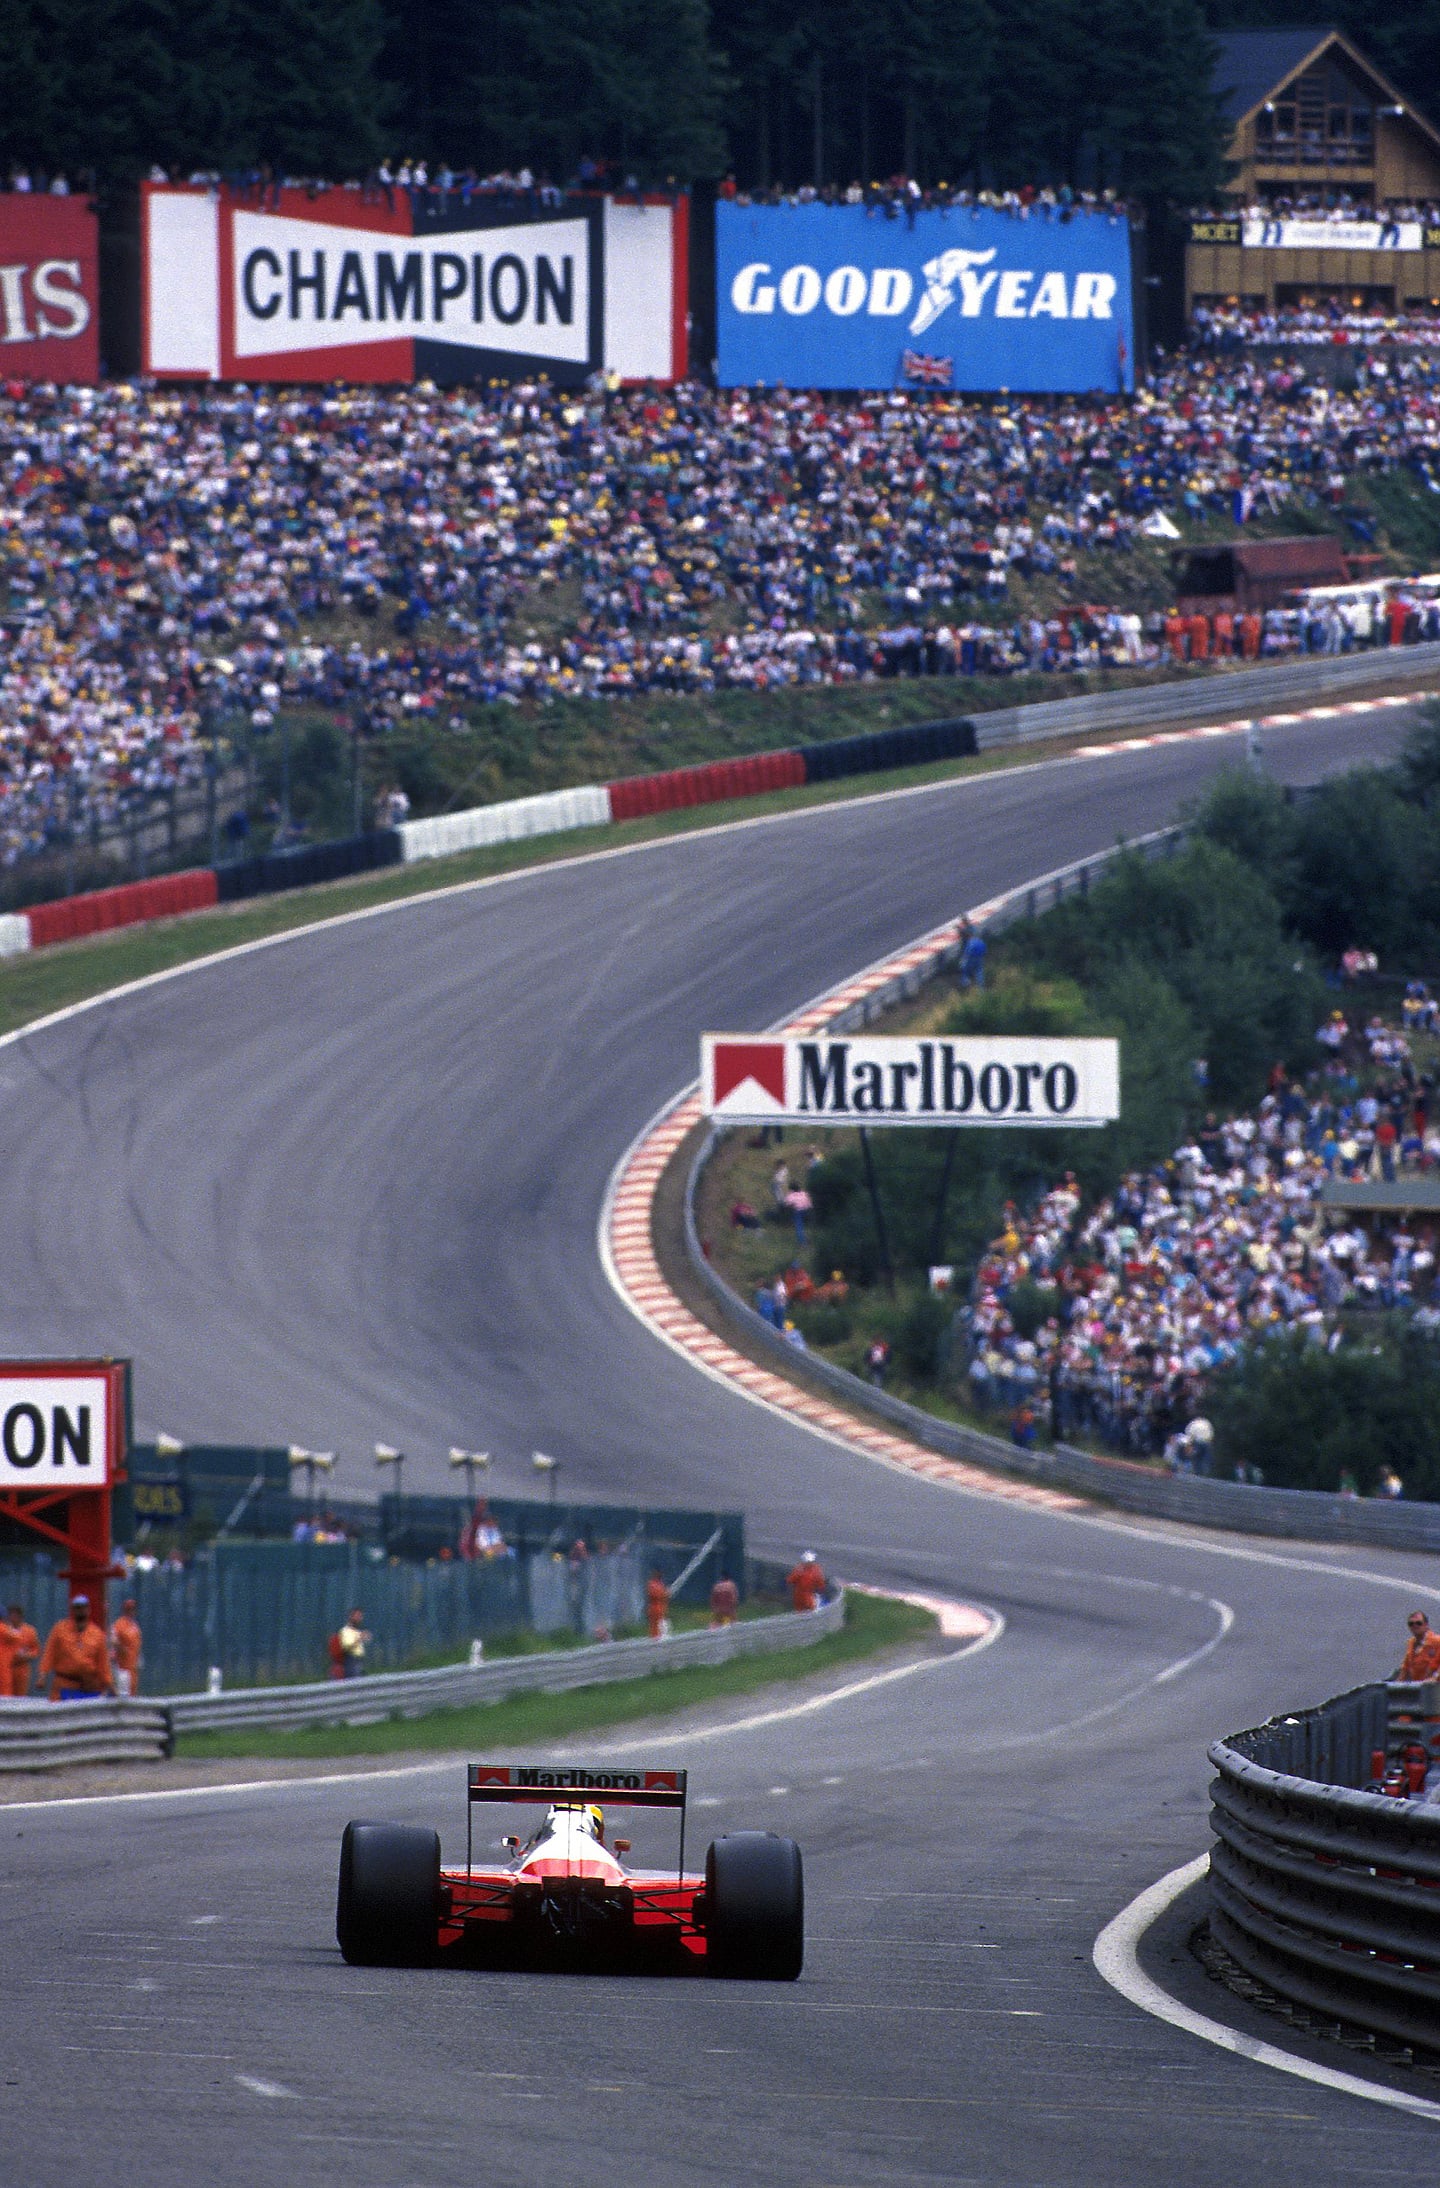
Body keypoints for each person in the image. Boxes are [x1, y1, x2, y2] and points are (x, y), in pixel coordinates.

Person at [38, 1596, 114, 1700]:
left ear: (88, 1610)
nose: (80, 1611)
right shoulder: (60, 1630)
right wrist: (42, 1676)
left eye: (83, 1607)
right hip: (64, 1684)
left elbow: (103, 1664)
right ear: (73, 1610)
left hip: (88, 1687)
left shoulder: (97, 1634)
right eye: (77, 1608)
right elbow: (49, 1653)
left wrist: (110, 1686)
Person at [2, 1603, 38, 1696]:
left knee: (20, 1696)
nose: (12, 1618)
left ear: (20, 1616)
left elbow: (35, 1650)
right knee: (6, 1694)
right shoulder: (4, 1629)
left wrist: (27, 1656)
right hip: (7, 1667)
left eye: (15, 1615)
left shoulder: (30, 1631)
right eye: (10, 1615)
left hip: (22, 1669)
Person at [110, 1599, 143, 1697]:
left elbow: (138, 1644)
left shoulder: (135, 1626)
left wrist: (139, 1659)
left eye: (133, 1609)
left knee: (133, 1691)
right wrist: (122, 1649)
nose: (131, 1611)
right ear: (124, 1610)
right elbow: (112, 1640)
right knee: (123, 1693)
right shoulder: (119, 1624)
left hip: (133, 1666)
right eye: (128, 1609)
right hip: (122, 1668)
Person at [1397, 1609, 1440, 1680]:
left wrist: (1434, 1678)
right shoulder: (1411, 1643)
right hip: (1420, 1687)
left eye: (1418, 1623)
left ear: (1426, 1625)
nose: (1415, 1626)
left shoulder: (1437, 1641)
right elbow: (1405, 1669)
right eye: (1411, 1624)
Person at [337, 1607, 371, 1677]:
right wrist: (360, 1639)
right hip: (351, 1660)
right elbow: (346, 1647)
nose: (359, 1618)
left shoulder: (358, 1631)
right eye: (357, 1616)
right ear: (351, 1617)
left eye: (360, 1616)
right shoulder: (345, 1631)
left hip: (359, 1660)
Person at [646, 1570, 671, 1640]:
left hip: (659, 1606)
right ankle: (656, 1636)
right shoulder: (654, 1584)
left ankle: (659, 1635)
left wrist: (666, 1594)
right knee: (656, 1622)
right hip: (656, 1606)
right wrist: (665, 1593)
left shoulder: (658, 1584)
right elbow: (656, 1594)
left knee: (659, 1621)